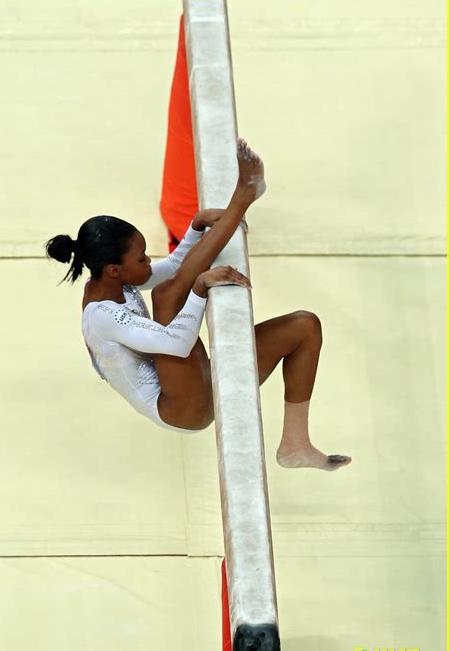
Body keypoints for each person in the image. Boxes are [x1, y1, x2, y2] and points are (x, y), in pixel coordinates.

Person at [45, 138, 352, 470]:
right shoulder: (101, 317)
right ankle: (243, 198)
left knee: (304, 326)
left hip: (195, 379)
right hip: (181, 408)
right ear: (114, 269)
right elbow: (175, 343)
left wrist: (195, 230)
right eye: (141, 257)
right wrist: (200, 287)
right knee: (166, 297)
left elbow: (169, 270)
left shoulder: (111, 280)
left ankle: (296, 443)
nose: (148, 261)